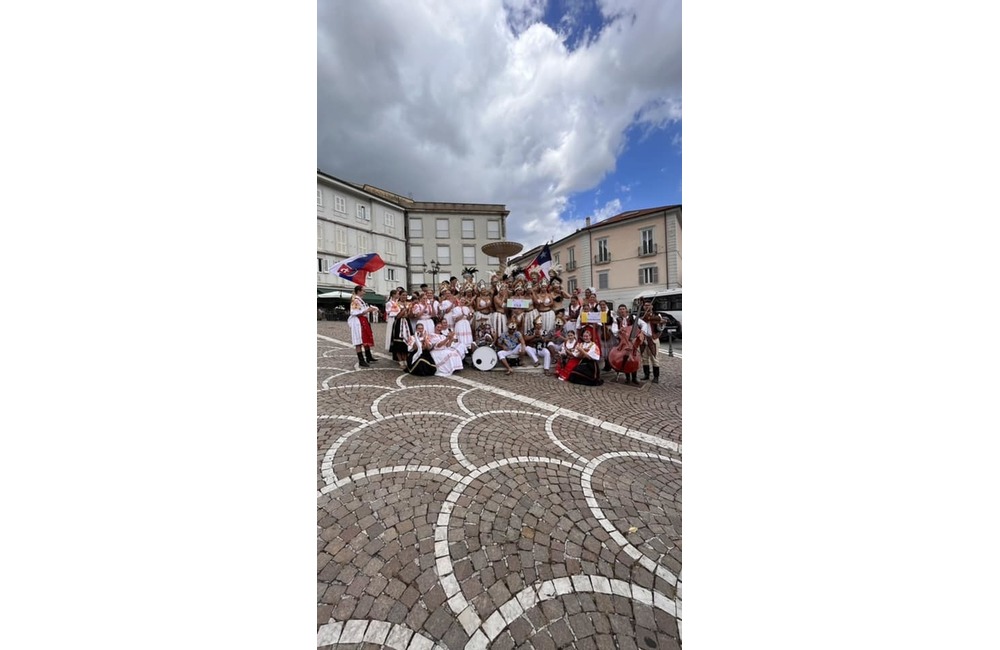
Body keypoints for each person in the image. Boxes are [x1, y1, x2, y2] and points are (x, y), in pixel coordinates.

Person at [610, 304, 649, 386]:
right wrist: (618, 331)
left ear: (626, 310)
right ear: (618, 311)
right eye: (620, 309)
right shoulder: (617, 320)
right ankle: (627, 377)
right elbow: (614, 330)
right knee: (624, 358)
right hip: (623, 342)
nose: (622, 311)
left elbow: (644, 324)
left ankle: (634, 378)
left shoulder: (633, 318)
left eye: (623, 309)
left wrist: (642, 332)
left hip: (633, 341)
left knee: (633, 358)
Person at [348, 285, 379, 367]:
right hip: (358, 322)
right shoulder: (355, 300)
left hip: (363, 320)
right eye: (363, 290)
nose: (364, 292)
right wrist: (367, 310)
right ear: (359, 291)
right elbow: (355, 312)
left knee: (365, 338)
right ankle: (361, 360)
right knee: (358, 340)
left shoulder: (360, 300)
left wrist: (370, 310)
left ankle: (368, 356)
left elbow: (362, 310)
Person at [639, 299, 663, 383]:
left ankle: (656, 377)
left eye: (649, 305)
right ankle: (646, 375)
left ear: (652, 306)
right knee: (644, 358)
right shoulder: (641, 315)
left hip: (653, 338)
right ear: (643, 306)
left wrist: (651, 318)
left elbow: (660, 325)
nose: (647, 307)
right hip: (644, 338)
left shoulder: (657, 315)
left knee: (654, 358)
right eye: (646, 305)